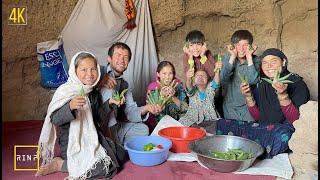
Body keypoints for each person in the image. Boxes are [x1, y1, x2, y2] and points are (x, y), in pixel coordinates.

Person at [36, 52, 126, 179]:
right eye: (84, 70)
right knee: (105, 168)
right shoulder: (65, 91)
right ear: (74, 71)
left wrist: (110, 104)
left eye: (93, 69)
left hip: (93, 137)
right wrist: (70, 107)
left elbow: (98, 118)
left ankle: (74, 164)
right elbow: (55, 119)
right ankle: (60, 164)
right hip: (72, 142)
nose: (89, 74)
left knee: (121, 154)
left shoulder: (92, 92)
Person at [217, 48, 310, 158]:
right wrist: (248, 97)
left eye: (274, 61)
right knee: (223, 124)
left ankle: (253, 148)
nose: (269, 66)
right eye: (265, 62)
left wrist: (283, 96)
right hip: (263, 128)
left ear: (284, 62)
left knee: (283, 136)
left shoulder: (297, 84)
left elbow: (295, 120)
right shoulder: (263, 84)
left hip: (282, 130)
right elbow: (257, 117)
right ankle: (256, 148)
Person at [99, 42, 163, 145]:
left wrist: (147, 108)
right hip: (99, 125)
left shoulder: (125, 85)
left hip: (116, 126)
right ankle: (111, 142)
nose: (122, 60)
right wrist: (100, 79)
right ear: (109, 59)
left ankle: (119, 146)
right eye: (118, 55)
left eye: (126, 57)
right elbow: (81, 80)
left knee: (143, 129)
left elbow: (130, 111)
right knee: (109, 88)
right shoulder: (97, 71)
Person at [220, 29, 260, 122]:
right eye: (238, 45)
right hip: (230, 107)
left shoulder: (256, 60)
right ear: (233, 46)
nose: (241, 49)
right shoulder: (227, 57)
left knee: (248, 134)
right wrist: (233, 56)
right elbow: (222, 78)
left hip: (248, 107)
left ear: (250, 46)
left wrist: (249, 57)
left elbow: (253, 80)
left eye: (245, 45)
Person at [182, 30, 224, 117]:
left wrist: (203, 55)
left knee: (211, 108)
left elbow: (212, 73)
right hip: (193, 89)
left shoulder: (207, 53)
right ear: (187, 46)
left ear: (203, 45)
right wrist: (190, 56)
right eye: (191, 45)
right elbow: (189, 74)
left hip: (209, 88)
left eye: (198, 44)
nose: (195, 48)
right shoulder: (186, 56)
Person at [179, 61, 222, 134]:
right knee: (183, 122)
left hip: (210, 118)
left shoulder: (210, 89)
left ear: (208, 80)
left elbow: (216, 83)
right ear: (194, 80)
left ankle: (204, 130)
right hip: (194, 118)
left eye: (203, 76)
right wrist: (188, 79)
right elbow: (189, 86)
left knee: (218, 125)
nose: (200, 77)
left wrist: (217, 71)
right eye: (197, 76)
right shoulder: (193, 90)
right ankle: (198, 129)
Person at [145, 61, 188, 132]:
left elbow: (186, 109)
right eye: (164, 73)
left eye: (170, 73)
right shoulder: (153, 88)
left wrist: (173, 97)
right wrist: (161, 97)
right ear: (158, 74)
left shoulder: (178, 86)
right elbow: (152, 113)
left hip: (178, 122)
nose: (167, 77)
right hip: (159, 124)